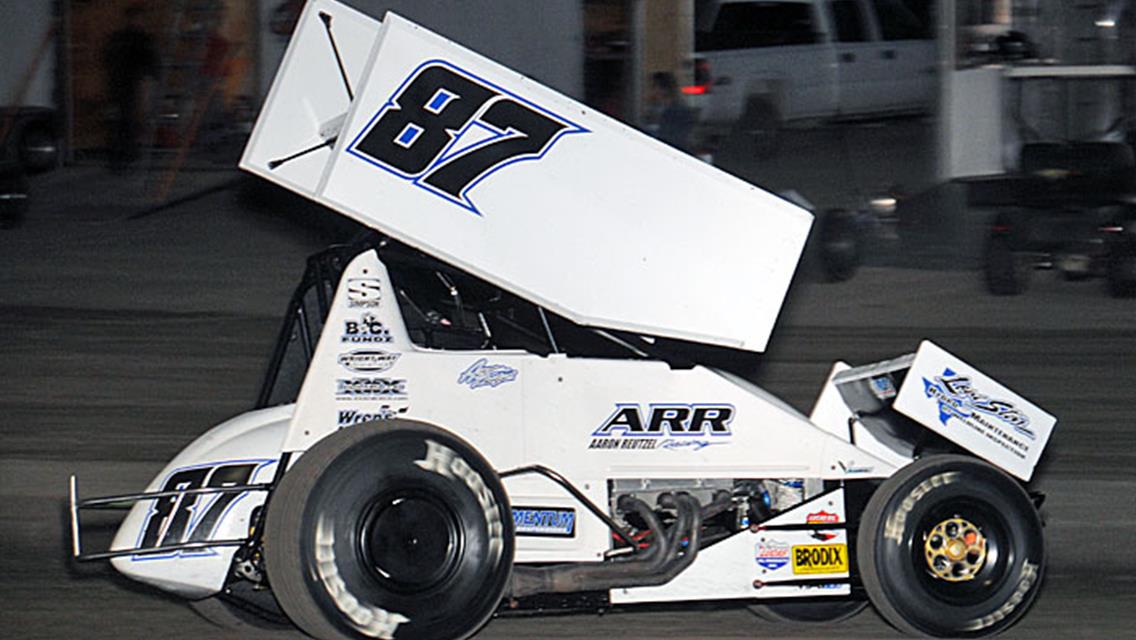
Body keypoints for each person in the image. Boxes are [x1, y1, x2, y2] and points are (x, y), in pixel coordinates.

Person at [103, 4, 159, 171]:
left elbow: (107, 58)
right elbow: (150, 63)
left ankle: (121, 157)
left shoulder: (120, 39)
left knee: (122, 122)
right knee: (126, 122)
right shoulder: (138, 40)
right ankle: (125, 156)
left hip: (122, 85)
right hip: (130, 85)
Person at [648, 71, 695, 153]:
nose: (653, 92)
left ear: (664, 90)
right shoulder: (665, 109)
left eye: (654, 87)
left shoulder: (675, 111)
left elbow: (669, 138)